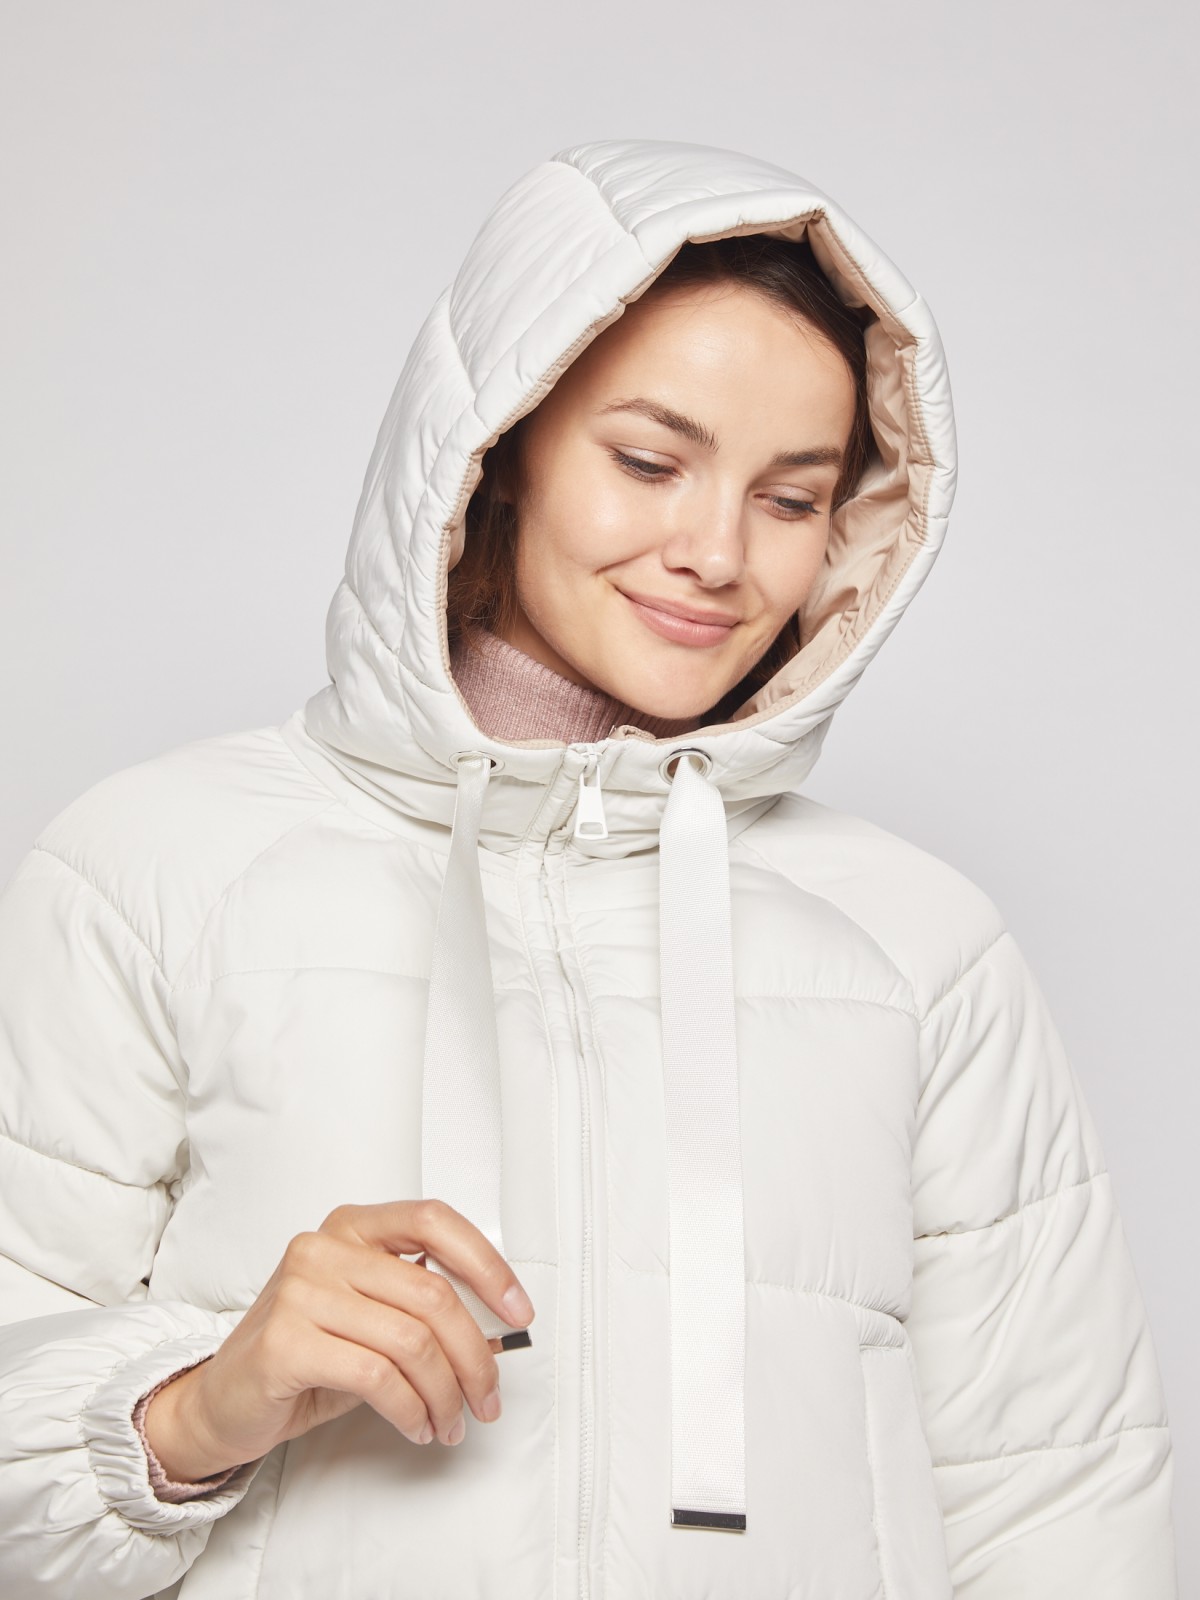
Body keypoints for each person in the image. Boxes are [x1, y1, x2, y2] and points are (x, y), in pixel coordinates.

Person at [0, 138, 1178, 1599]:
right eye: (649, 462)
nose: (716, 553)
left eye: (791, 497)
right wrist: (188, 1416)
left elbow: (1065, 1510)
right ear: (498, 454)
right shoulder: (154, 870)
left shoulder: (921, 946)